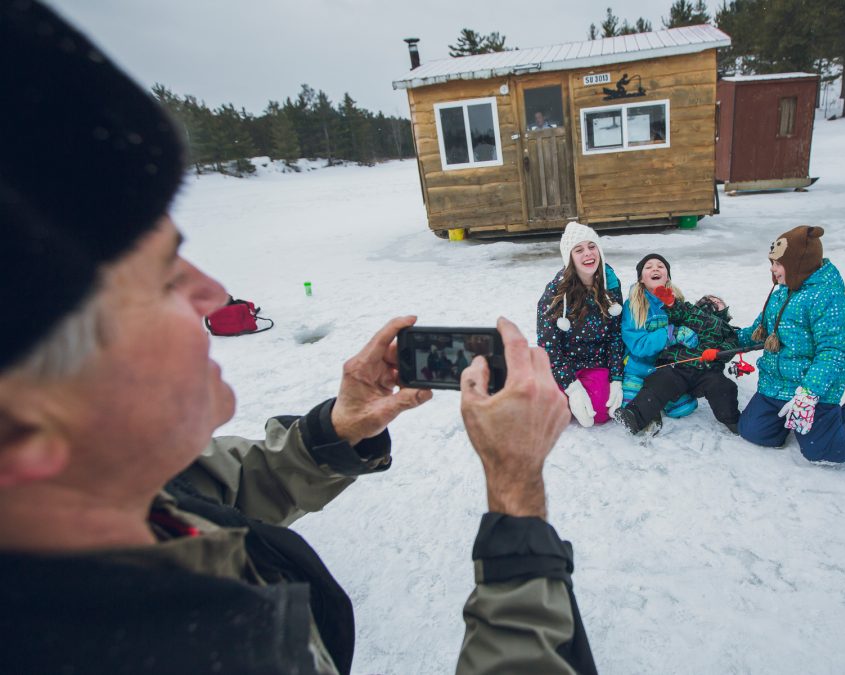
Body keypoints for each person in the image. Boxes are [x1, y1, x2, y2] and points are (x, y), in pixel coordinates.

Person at [0, 3, 597, 674]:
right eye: (167, 277)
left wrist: (331, 434)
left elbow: (210, 488)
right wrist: (516, 499)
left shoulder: (103, 498)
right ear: (27, 429)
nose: (213, 293)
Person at [736, 225, 845, 463]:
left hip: (812, 391)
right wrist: (724, 337)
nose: (772, 269)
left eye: (778, 263)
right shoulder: (781, 293)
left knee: (826, 451)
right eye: (772, 262)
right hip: (775, 384)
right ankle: (783, 421)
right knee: (754, 432)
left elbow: (833, 352)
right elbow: (759, 332)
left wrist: (809, 393)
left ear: (798, 264)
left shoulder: (829, 299)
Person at [615, 254, 742, 436]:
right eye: (649, 267)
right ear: (641, 279)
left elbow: (727, 340)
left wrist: (720, 351)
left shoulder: (680, 304)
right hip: (639, 366)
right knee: (633, 401)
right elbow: (638, 345)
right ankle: (640, 413)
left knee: (683, 408)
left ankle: (658, 402)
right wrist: (671, 333)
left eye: (661, 266)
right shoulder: (634, 305)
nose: (655, 268)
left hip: (672, 367)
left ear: (668, 276)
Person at [537, 222, 624, 427]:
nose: (588, 253)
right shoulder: (554, 293)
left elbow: (615, 336)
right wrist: (572, 389)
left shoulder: (610, 285)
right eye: (579, 250)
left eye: (592, 246)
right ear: (569, 257)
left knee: (601, 412)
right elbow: (549, 346)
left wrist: (616, 378)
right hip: (563, 362)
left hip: (595, 361)